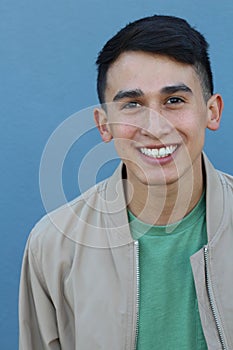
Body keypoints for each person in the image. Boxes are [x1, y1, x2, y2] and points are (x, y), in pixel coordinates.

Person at [19, 14, 233, 350]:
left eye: (174, 100)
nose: (155, 126)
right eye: (132, 104)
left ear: (212, 111)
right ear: (104, 125)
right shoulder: (52, 246)